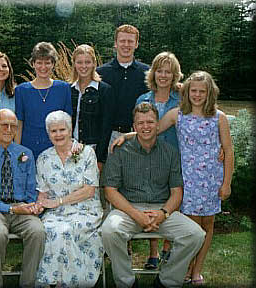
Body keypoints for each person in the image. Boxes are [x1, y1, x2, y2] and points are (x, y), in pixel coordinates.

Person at [101, 102, 206, 288]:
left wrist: (163, 213)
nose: (145, 126)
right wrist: (136, 215)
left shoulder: (171, 153)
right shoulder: (120, 151)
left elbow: (177, 192)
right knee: (110, 230)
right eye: (140, 123)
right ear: (134, 127)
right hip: (128, 209)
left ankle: (167, 281)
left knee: (195, 235)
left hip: (161, 210)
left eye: (150, 122)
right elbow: (110, 190)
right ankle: (126, 281)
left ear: (158, 125)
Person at [154, 71, 234, 285]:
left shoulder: (219, 117)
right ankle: (186, 267)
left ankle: (196, 269)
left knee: (208, 225)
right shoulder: (177, 114)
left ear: (210, 94)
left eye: (202, 91)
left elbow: (228, 150)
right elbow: (152, 131)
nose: (197, 95)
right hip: (188, 181)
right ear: (187, 92)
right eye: (194, 91)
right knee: (192, 228)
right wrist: (127, 136)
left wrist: (226, 183)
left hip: (211, 181)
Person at [0, 108, 45, 288]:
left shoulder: (25, 154)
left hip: (21, 208)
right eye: (4, 125)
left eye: (13, 126)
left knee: (38, 231)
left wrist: (31, 206)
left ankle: (28, 283)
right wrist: (11, 209)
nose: (9, 130)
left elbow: (30, 190)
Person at [35, 110, 103, 288]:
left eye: (62, 130)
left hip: (85, 210)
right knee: (49, 229)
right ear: (48, 133)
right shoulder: (43, 158)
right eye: (53, 131)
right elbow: (42, 193)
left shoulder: (86, 153)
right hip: (56, 213)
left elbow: (89, 191)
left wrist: (58, 201)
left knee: (64, 231)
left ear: (70, 129)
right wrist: (38, 205)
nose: (58, 134)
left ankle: (58, 283)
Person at [135, 51, 183, 270]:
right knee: (152, 200)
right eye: (160, 71)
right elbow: (137, 128)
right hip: (148, 157)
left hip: (175, 156)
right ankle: (153, 252)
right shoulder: (143, 99)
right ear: (153, 74)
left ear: (175, 75)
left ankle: (167, 247)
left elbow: (206, 115)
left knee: (172, 200)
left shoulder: (182, 98)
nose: (163, 75)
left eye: (168, 72)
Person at [15, 41, 72, 160]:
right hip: (29, 148)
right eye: (39, 63)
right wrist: (17, 150)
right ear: (33, 63)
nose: (43, 67)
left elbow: (68, 122)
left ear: (53, 64)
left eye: (47, 63)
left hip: (57, 147)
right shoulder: (22, 90)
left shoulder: (63, 88)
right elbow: (19, 123)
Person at [96, 24, 149, 145]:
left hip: (138, 136)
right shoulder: (100, 73)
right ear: (115, 43)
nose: (126, 45)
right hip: (108, 137)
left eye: (130, 41)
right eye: (122, 41)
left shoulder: (147, 73)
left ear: (136, 44)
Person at [70, 44, 115, 171]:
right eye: (79, 62)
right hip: (71, 149)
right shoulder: (69, 90)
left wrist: (100, 159)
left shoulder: (104, 90)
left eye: (87, 62)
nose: (83, 66)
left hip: (93, 149)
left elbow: (106, 128)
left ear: (94, 63)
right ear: (74, 64)